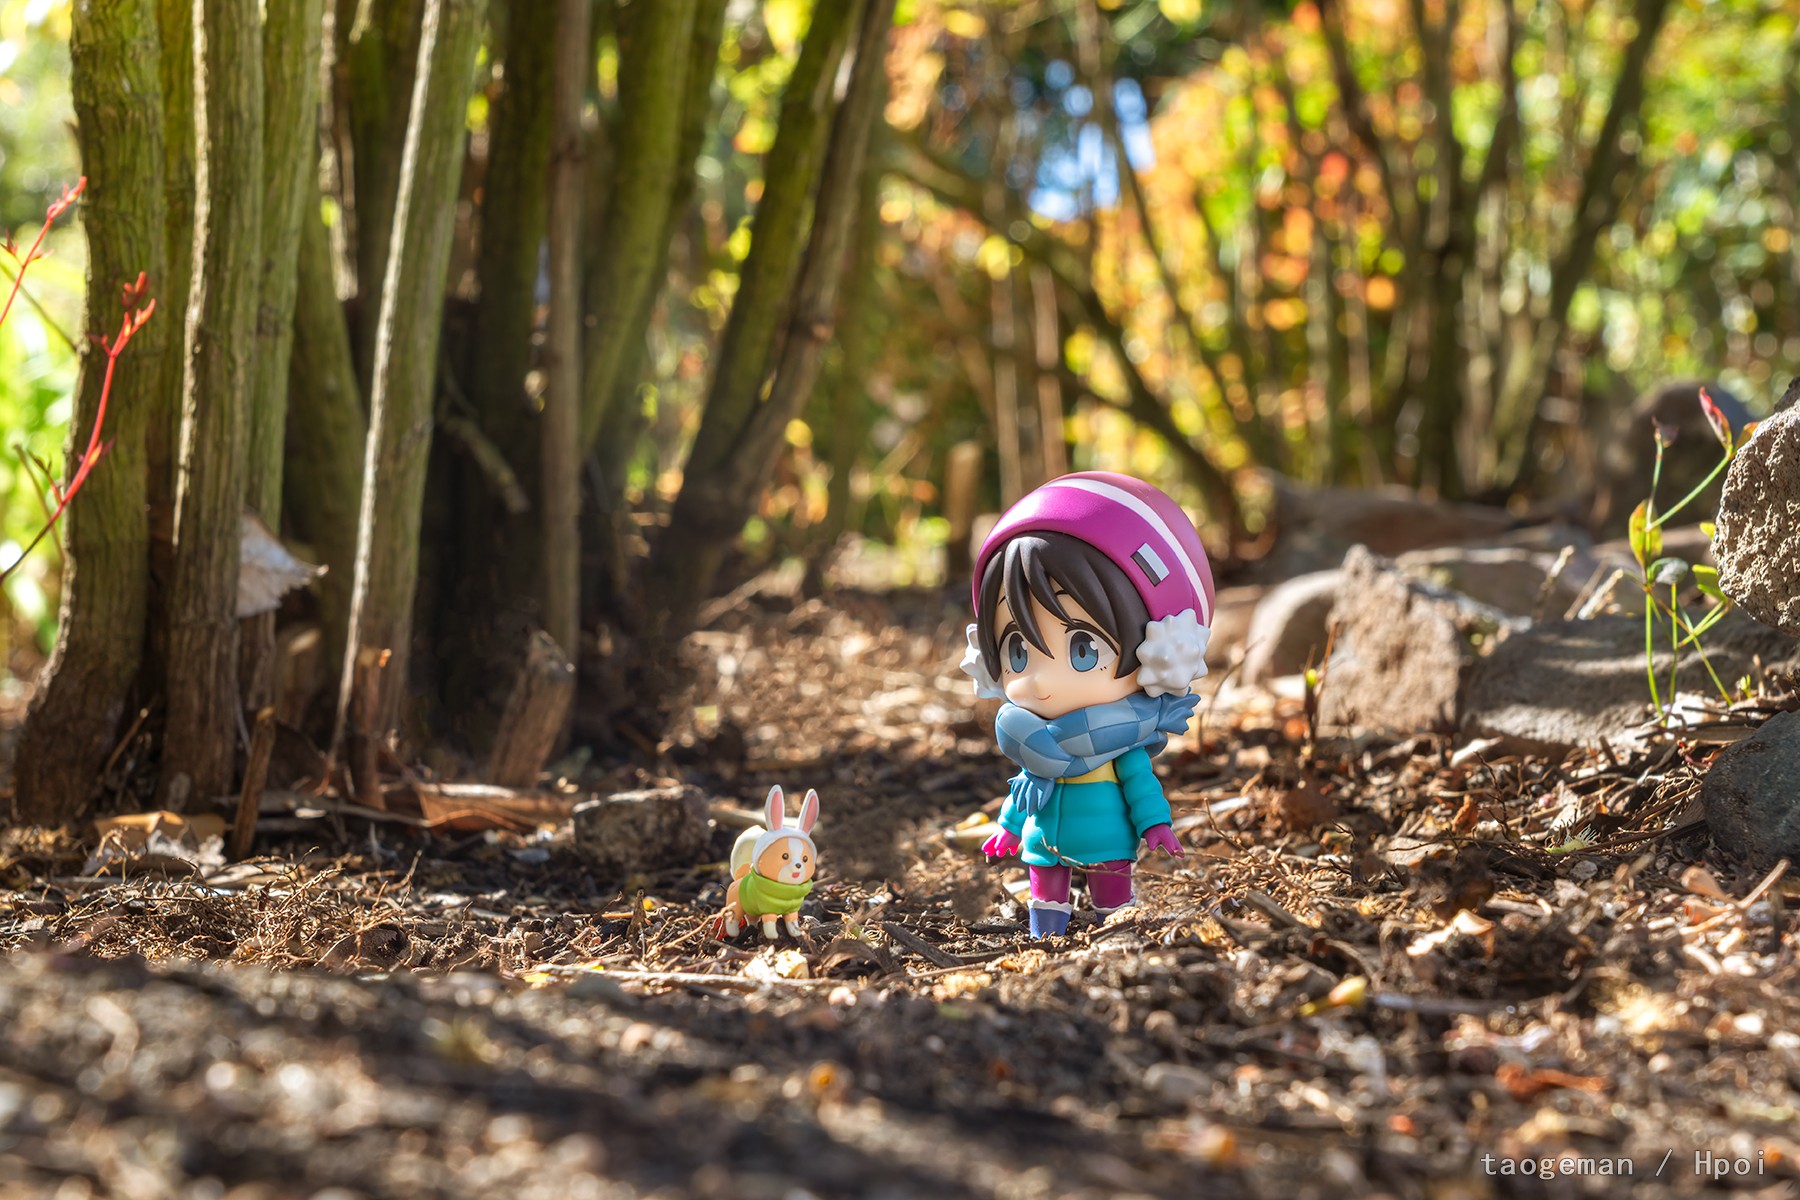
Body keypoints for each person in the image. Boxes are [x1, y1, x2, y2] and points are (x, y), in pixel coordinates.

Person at [962, 472, 1215, 937]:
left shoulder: (1121, 745)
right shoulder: (1032, 745)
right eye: (1017, 649)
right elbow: (1023, 790)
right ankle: (1045, 936)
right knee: (1045, 893)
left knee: (1112, 895)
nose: (1040, 679)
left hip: (1107, 839)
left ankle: (1114, 930)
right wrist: (1009, 827)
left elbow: (1140, 785)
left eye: (1083, 648)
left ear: (1156, 650)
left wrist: (1155, 824)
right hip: (1044, 840)